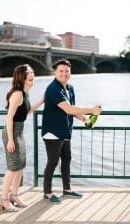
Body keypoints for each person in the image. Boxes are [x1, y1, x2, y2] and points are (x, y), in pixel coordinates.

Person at [42, 59, 102, 203]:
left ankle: (67, 188)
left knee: (67, 160)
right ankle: (47, 192)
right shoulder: (53, 89)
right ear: (55, 72)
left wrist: (84, 119)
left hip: (65, 131)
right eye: (61, 71)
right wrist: (91, 110)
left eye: (67, 71)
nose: (64, 73)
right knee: (53, 162)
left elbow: (73, 109)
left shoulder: (70, 88)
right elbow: (68, 109)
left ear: (70, 72)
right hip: (52, 132)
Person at [0, 64, 44, 212]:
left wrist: (41, 101)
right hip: (12, 133)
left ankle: (14, 195)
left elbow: (26, 111)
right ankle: (4, 200)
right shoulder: (17, 94)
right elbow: (9, 117)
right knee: (12, 168)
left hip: (19, 132)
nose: (31, 75)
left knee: (20, 167)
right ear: (21, 77)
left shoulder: (25, 94)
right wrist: (11, 140)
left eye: (32, 72)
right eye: (28, 73)